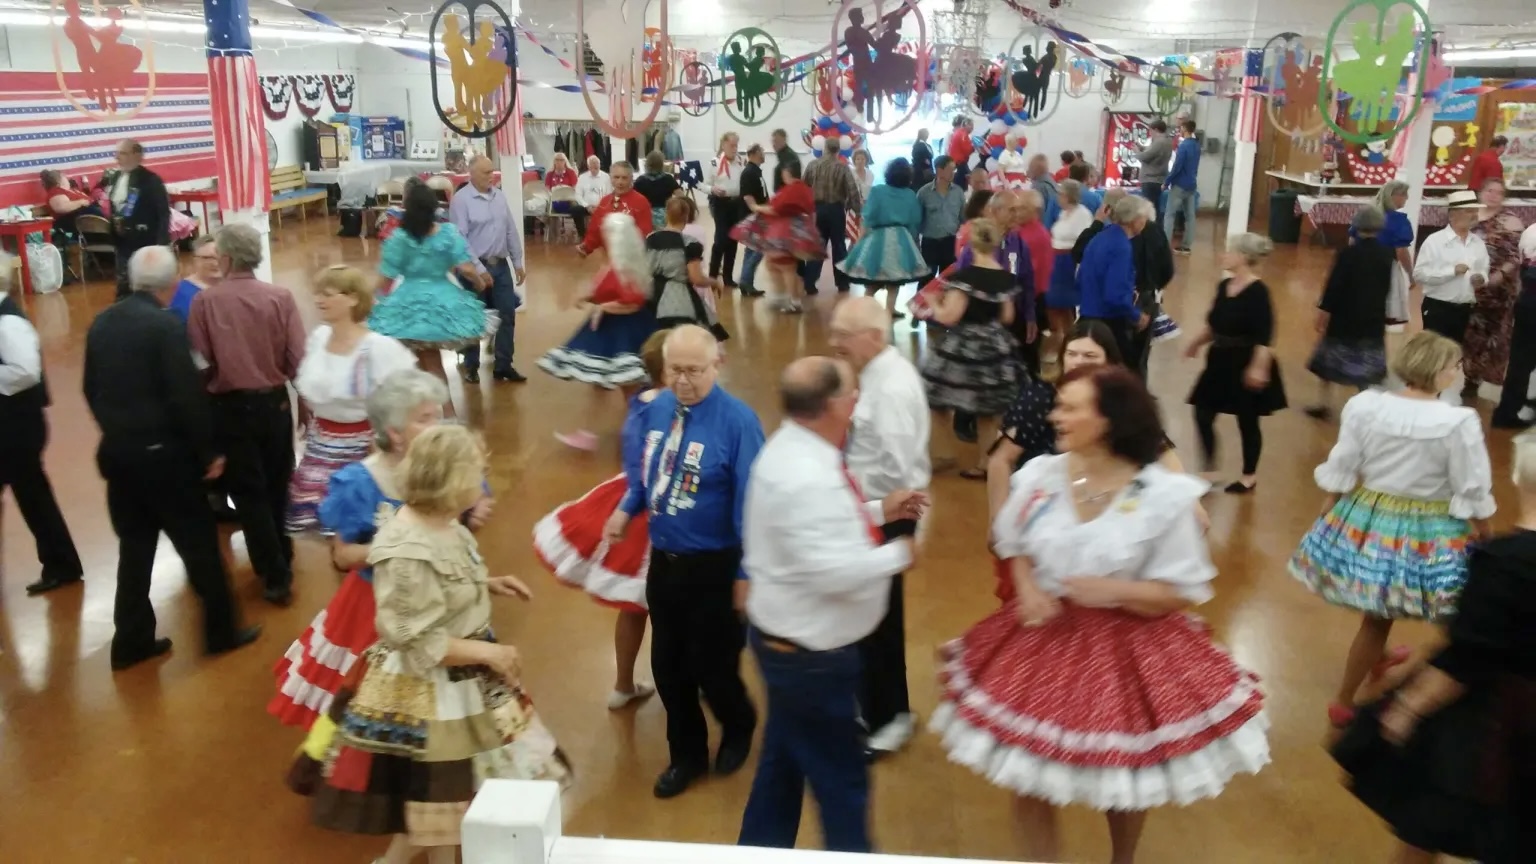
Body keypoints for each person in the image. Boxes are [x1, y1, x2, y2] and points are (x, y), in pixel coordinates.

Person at [932, 365, 1268, 864]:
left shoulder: (1161, 495)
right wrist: (1026, 586)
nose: (1055, 416)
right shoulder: (1041, 476)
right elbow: (1015, 540)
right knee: (1030, 776)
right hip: (1044, 641)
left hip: (1130, 650)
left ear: (1109, 419)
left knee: (1124, 776)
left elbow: (1179, 589)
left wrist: (1111, 589)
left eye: (1070, 407)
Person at [310, 425, 569, 862]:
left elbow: (439, 586)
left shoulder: (444, 524)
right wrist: (491, 651)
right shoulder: (408, 549)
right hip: (429, 693)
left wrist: (485, 583)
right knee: (437, 809)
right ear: (450, 480)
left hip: (459, 681)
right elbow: (415, 638)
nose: (483, 478)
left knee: (441, 811)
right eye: (476, 471)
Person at [737, 356, 926, 853]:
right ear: (832, 406)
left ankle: (758, 848)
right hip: (811, 660)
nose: (857, 401)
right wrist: (898, 553)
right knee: (842, 784)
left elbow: (818, 532)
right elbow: (833, 571)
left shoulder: (798, 454)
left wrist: (878, 511)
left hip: (787, 647)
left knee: (780, 770)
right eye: (851, 394)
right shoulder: (808, 475)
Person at [1331, 430, 1536, 864]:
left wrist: (1407, 708)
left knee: (1427, 816)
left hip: (1494, 717)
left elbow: (1468, 657)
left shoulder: (1504, 560)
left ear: (1518, 478)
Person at [1291, 332, 1493, 727]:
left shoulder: (1366, 407)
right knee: (1445, 610)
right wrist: (1485, 534)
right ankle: (1366, 697)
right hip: (1431, 527)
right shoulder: (1456, 422)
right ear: (1438, 371)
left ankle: (1358, 685)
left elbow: (1345, 462)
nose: (1458, 371)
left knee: (1379, 610)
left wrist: (1328, 510)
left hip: (1371, 517)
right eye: (1455, 365)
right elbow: (1472, 483)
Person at [603, 325, 764, 799]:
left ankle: (739, 724)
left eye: (696, 370)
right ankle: (686, 756)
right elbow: (646, 474)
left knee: (713, 668)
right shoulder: (656, 411)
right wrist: (624, 509)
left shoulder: (738, 423)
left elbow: (751, 502)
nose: (685, 380)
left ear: (717, 365)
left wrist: (744, 574)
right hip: (666, 561)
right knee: (669, 669)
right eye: (676, 370)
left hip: (716, 564)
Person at [84, 246, 260, 670]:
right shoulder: (163, 327)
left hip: (119, 455)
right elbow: (186, 398)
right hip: (166, 460)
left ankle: (130, 641)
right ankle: (220, 632)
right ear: (173, 283)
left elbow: (90, 388)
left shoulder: (102, 322)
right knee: (199, 547)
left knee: (135, 549)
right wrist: (209, 453)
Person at [269, 369, 449, 728]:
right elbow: (343, 555)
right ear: (395, 433)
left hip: (438, 598)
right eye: (425, 419)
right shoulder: (361, 483)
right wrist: (401, 546)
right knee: (377, 708)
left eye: (439, 416)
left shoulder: (443, 467)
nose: (439, 427)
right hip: (377, 605)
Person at [533, 330, 670, 709]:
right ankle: (686, 683)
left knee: (634, 607)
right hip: (663, 509)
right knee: (671, 610)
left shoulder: (640, 404)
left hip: (629, 498)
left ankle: (623, 683)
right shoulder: (677, 409)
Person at [829, 297, 930, 760]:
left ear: (873, 335)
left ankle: (892, 718)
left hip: (886, 521)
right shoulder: (874, 376)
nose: (834, 343)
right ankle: (870, 706)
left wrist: (904, 530)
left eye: (843, 335)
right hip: (869, 514)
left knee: (881, 625)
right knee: (865, 621)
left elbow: (903, 468)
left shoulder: (890, 389)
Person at [187, 223, 307, 606]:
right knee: (278, 481)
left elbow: (200, 363)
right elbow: (298, 360)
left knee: (249, 493)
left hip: (230, 409)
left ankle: (273, 572)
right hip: (276, 404)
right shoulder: (280, 297)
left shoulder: (205, 303)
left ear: (224, 256)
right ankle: (282, 551)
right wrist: (304, 404)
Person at [285, 266, 416, 534]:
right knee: (327, 526)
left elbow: (407, 399)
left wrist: (386, 442)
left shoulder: (379, 347)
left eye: (328, 294)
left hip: (365, 449)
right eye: (318, 293)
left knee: (363, 527)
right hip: (320, 446)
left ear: (354, 298)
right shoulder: (319, 338)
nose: (319, 300)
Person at [540, 212, 660, 451]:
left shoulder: (625, 267)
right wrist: (590, 297)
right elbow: (613, 292)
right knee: (602, 385)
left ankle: (645, 432)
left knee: (629, 387)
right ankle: (590, 433)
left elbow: (634, 301)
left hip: (624, 332)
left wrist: (602, 306)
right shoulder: (614, 263)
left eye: (607, 232)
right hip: (609, 330)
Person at [0, 253, 83, 596]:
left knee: (33, 496)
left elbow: (25, 372)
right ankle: (61, 563)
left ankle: (62, 563)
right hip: (13, 425)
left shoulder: (7, 322)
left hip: (15, 427)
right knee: (33, 495)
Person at [369, 184, 490, 407]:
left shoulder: (399, 238)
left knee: (417, 362)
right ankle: (446, 412)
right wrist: (480, 283)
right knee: (431, 363)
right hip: (441, 300)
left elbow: (386, 276)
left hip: (407, 303)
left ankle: (427, 412)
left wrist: (371, 301)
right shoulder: (448, 233)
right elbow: (466, 268)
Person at [921, 218, 1023, 479]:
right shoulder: (1006, 278)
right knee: (988, 411)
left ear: (970, 244)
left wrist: (934, 301)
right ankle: (987, 462)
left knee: (937, 399)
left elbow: (949, 317)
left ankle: (942, 453)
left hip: (963, 347)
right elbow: (1007, 317)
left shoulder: (963, 278)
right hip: (995, 344)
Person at [1185, 232, 1286, 494]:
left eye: (1229, 251)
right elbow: (1215, 323)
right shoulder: (1224, 286)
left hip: (1246, 359)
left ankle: (1249, 476)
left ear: (1243, 257)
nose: (1223, 255)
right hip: (1219, 359)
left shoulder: (1258, 292)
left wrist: (1259, 366)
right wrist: (1196, 342)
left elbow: (1265, 336)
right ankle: (1208, 470)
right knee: (1202, 413)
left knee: (1248, 421)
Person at [1305, 206, 1395, 419]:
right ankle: (1366, 407)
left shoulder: (1347, 253)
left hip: (1344, 316)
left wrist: (1324, 312)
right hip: (1373, 315)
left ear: (1356, 225)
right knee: (1367, 366)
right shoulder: (1387, 254)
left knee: (1329, 364)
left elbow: (1334, 285)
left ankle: (1324, 404)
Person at [449, 155, 528, 385]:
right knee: (473, 318)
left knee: (507, 315)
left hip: (500, 266)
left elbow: (510, 230)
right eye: (485, 172)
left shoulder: (499, 197)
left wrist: (518, 262)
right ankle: (470, 365)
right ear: (471, 174)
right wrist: (479, 269)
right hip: (473, 270)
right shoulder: (461, 201)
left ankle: (503, 365)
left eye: (492, 171)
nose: (491, 176)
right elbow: (460, 239)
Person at [733, 161, 824, 314]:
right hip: (792, 233)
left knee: (785, 265)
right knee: (774, 263)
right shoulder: (804, 189)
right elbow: (811, 212)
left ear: (787, 172)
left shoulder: (792, 190)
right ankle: (782, 297)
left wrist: (756, 207)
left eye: (783, 172)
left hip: (784, 233)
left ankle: (793, 301)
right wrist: (810, 231)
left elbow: (776, 210)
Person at [840, 158, 927, 317]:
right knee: (896, 278)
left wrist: (860, 240)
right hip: (902, 238)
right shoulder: (909, 195)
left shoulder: (878, 190)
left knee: (874, 277)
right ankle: (890, 309)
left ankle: (865, 307)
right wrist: (913, 240)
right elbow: (915, 220)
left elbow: (867, 216)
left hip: (878, 237)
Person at [1463, 178, 1526, 391]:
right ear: (1481, 193)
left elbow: (1516, 256)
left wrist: (1500, 274)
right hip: (1468, 283)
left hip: (1497, 286)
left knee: (1490, 334)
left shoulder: (1511, 221)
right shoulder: (1469, 217)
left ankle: (1478, 377)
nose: (1493, 195)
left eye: (1498, 192)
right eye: (1489, 190)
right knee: (1470, 332)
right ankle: (1468, 373)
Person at [1077, 195, 1151, 363]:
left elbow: (1081, 277)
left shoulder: (1100, 237)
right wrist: (1136, 316)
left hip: (1087, 314)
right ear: (1135, 219)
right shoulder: (1121, 246)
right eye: (1144, 218)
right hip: (1107, 321)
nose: (1145, 222)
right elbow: (1115, 296)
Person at [1413, 190, 1490, 348]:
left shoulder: (1478, 243)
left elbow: (1484, 270)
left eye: (1475, 211)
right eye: (1469, 211)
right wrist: (1451, 272)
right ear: (1453, 215)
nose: (1474, 215)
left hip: (1465, 310)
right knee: (1434, 355)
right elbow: (1419, 275)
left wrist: (1481, 279)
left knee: (1455, 356)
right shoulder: (1434, 241)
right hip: (1438, 309)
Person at [650, 198, 726, 337]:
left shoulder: (650, 238)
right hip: (677, 299)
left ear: (666, 214)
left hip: (650, 296)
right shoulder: (690, 243)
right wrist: (714, 282)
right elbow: (696, 278)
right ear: (686, 215)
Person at [108, 138, 169, 299]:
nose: (117, 157)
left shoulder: (151, 180)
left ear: (137, 155)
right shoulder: (115, 178)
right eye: (117, 153)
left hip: (144, 239)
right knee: (124, 283)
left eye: (122, 153)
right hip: (122, 240)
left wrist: (162, 244)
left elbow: (163, 213)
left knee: (145, 284)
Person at [802, 141, 863, 295]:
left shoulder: (812, 165)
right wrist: (858, 210)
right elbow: (852, 191)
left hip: (817, 210)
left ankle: (809, 283)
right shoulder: (842, 168)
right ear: (838, 150)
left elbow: (803, 187)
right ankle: (842, 283)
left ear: (824, 148)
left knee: (817, 246)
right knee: (839, 247)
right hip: (836, 210)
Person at [1493, 225, 1536, 428]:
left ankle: (1507, 411)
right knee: (1522, 362)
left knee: (1521, 362)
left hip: (1527, 301)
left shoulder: (1531, 231)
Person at [1010, 189, 1055, 373]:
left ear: (1035, 211)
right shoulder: (1027, 232)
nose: (1017, 212)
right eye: (1016, 208)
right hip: (1030, 298)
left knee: (1025, 352)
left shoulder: (1032, 236)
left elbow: (1025, 274)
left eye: (1022, 208)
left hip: (1028, 300)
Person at [577, 161, 651, 258]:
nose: (620, 182)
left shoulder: (641, 202)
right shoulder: (604, 202)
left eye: (624, 178)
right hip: (607, 258)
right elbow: (595, 230)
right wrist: (586, 246)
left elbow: (644, 232)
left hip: (632, 258)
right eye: (616, 177)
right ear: (611, 178)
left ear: (631, 179)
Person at [1371, 180, 1417, 326]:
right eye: (1404, 194)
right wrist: (1410, 275)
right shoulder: (1399, 221)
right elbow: (1401, 252)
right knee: (1382, 310)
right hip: (1386, 268)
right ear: (1393, 196)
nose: (1407, 198)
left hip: (1361, 265)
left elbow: (1352, 242)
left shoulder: (1367, 215)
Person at [917, 155, 965, 283]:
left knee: (948, 281)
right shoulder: (924, 193)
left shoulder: (958, 192)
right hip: (930, 243)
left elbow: (963, 218)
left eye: (954, 169)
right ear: (939, 170)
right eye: (951, 169)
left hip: (951, 242)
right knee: (926, 280)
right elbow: (917, 219)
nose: (954, 173)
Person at [708, 133, 744, 290]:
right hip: (720, 203)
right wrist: (712, 189)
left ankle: (728, 277)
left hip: (736, 204)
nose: (734, 149)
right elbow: (704, 184)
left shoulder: (741, 162)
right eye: (732, 145)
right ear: (723, 145)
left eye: (736, 145)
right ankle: (712, 275)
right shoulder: (715, 163)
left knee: (733, 240)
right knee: (721, 239)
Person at [735, 144, 769, 297]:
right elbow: (748, 197)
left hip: (757, 216)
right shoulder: (749, 173)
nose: (764, 154)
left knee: (752, 250)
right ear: (755, 153)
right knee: (758, 250)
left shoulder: (755, 172)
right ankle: (745, 281)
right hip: (754, 217)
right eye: (762, 151)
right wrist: (758, 211)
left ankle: (746, 282)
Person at [1164, 119, 1201, 254]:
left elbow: (1177, 167)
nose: (1179, 130)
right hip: (1191, 185)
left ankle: (1165, 244)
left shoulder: (1184, 146)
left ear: (1185, 129)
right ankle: (1186, 246)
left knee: (1169, 215)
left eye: (1180, 127)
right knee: (1190, 216)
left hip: (1179, 184)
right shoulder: (1197, 145)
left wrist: (1167, 182)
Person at [168, 236, 219, 323]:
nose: (215, 263)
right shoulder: (178, 291)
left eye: (220, 257)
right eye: (207, 258)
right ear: (194, 259)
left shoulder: (234, 288)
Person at [634, 151, 683, 231]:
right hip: (665, 216)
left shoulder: (640, 181)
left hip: (646, 215)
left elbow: (634, 199)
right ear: (661, 164)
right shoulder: (668, 179)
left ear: (647, 164)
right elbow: (681, 196)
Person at [1137, 120, 1173, 224]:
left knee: (1149, 209)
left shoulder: (1159, 141)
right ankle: (1157, 232)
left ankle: (1151, 232)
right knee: (1155, 207)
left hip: (1150, 179)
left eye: (1150, 131)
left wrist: (1137, 151)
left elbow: (1145, 157)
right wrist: (1142, 148)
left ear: (1156, 129)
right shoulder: (1168, 141)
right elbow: (1153, 153)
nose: (1149, 133)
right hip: (1159, 178)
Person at [572, 155, 613, 237]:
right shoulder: (582, 177)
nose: (594, 170)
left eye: (596, 168)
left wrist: (599, 206)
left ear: (599, 166)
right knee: (575, 210)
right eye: (592, 168)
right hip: (586, 206)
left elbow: (609, 194)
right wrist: (587, 206)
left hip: (602, 206)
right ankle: (582, 235)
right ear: (588, 167)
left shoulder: (606, 177)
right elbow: (578, 195)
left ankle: (603, 234)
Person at [1024, 154, 1060, 229]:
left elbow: (1037, 212)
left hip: (1044, 226)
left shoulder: (1039, 186)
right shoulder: (1052, 182)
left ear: (1034, 169)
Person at [771, 128, 801, 195]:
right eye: (773, 141)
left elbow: (789, 180)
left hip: (787, 196)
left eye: (776, 141)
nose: (774, 145)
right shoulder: (783, 155)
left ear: (784, 140)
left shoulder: (788, 156)